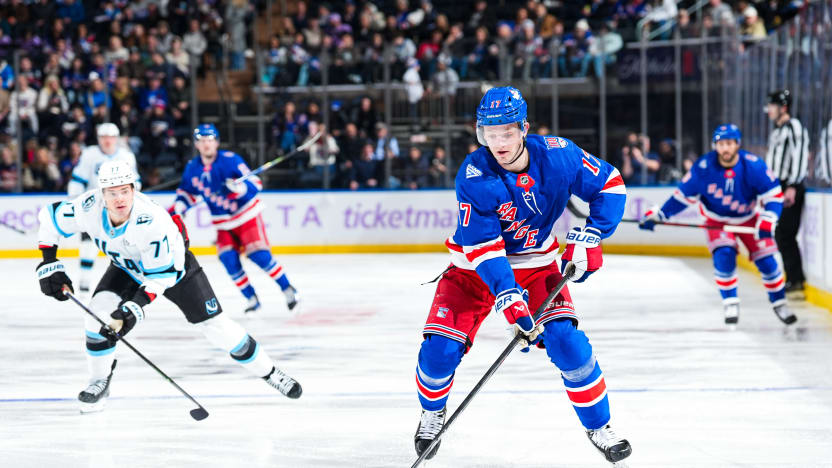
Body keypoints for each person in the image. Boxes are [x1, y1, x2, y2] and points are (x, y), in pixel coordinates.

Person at [412, 86, 631, 464]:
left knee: (568, 344)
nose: (497, 142)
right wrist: (508, 297)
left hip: (536, 266)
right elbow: (484, 248)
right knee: (438, 352)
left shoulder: (559, 155)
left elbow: (609, 184)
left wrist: (594, 233)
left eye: (506, 132)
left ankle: (599, 425)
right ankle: (432, 413)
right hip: (474, 270)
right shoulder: (475, 174)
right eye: (489, 133)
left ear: (524, 128)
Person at [35, 160, 302, 413]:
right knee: (96, 313)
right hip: (126, 267)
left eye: (125, 191)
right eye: (112, 193)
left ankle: (271, 372)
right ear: (102, 194)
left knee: (216, 328)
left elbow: (161, 277)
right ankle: (99, 381)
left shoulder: (152, 222)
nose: (119, 199)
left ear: (133, 190)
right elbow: (49, 219)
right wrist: (49, 263)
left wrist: (135, 307)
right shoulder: (88, 207)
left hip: (174, 270)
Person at [640, 124, 796, 326]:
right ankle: (730, 302)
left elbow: (773, 195)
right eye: (721, 144)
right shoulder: (703, 168)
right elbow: (683, 198)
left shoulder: (754, 166)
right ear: (715, 145)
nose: (725, 148)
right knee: (724, 256)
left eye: (729, 143)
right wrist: (661, 215)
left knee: (768, 262)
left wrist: (768, 219)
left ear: (737, 144)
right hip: (717, 221)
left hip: (749, 218)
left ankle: (779, 302)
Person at [172, 124, 299, 313]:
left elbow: (256, 183)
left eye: (210, 139)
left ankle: (288, 289)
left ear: (216, 142)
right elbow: (187, 192)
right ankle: (251, 298)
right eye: (202, 140)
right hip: (223, 223)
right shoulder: (192, 168)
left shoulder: (231, 160)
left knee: (259, 255)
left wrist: (240, 188)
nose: (206, 144)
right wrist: (181, 207)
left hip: (246, 215)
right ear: (197, 144)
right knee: (228, 259)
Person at [67, 123, 139, 299]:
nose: (108, 141)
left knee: (124, 246)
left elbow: (136, 182)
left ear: (116, 139)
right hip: (95, 208)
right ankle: (84, 285)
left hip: (119, 209)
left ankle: (126, 285)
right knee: (87, 246)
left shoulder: (126, 156)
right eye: (104, 137)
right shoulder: (90, 154)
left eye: (111, 137)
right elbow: (78, 179)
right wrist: (75, 200)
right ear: (99, 139)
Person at [764, 89, 809, 297]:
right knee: (780, 233)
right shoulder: (777, 131)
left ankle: (795, 278)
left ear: (783, 107)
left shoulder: (794, 127)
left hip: (790, 186)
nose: (768, 111)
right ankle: (792, 277)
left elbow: (799, 156)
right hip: (778, 186)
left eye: (772, 106)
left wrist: (792, 185)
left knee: (786, 233)